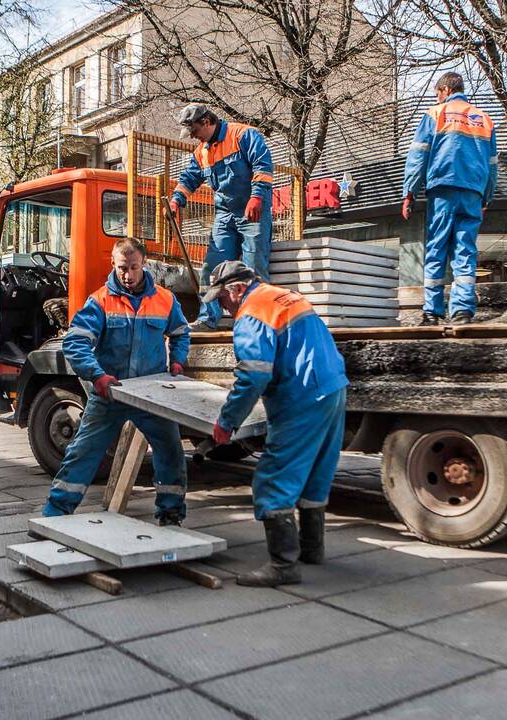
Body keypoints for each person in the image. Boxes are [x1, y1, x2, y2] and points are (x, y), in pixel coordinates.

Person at [207, 261, 349, 587]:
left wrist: (227, 423)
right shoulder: (285, 297)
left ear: (238, 289)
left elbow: (254, 374)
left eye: (222, 298)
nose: (222, 306)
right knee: (315, 473)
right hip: (332, 388)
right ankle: (312, 550)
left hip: (301, 397)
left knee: (273, 478)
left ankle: (283, 566)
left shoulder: (252, 312)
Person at [42, 238, 192, 525]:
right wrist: (96, 375)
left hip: (151, 394)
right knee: (84, 451)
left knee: (171, 450)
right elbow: (75, 343)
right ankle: (56, 513)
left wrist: (177, 360)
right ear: (113, 264)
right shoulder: (99, 301)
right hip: (111, 393)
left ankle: (171, 513)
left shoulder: (165, 299)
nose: (128, 275)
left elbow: (181, 332)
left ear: (143, 265)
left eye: (134, 267)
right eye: (122, 268)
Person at [402, 72, 498, 326]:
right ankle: (463, 310)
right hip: (473, 193)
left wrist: (409, 192)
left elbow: (418, 156)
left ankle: (432, 311)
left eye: (437, 93)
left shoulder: (435, 113)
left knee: (437, 248)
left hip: (443, 188)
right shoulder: (485, 120)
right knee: (465, 250)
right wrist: (486, 197)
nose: (437, 97)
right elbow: (492, 164)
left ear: (445, 89)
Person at [169, 104, 274, 332]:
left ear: (206, 121)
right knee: (211, 268)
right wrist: (177, 198)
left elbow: (263, 166)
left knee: (253, 266)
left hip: (251, 209)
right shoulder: (202, 152)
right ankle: (208, 318)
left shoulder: (244, 135)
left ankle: (256, 319)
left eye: (194, 130)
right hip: (225, 215)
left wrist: (257, 197)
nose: (194, 137)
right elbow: (189, 178)